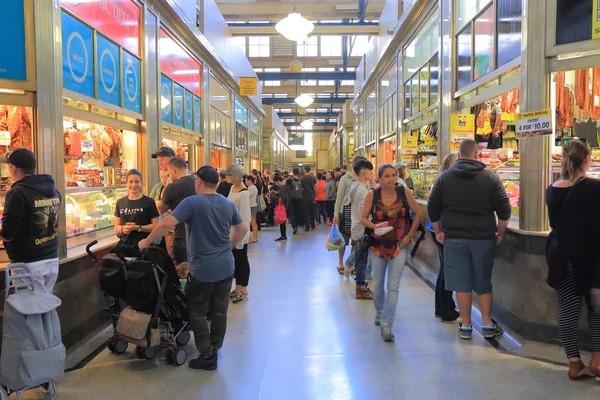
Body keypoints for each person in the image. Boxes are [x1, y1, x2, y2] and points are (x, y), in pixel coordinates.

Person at [138, 166, 248, 371]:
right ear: (216, 182)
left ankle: (206, 356)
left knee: (197, 312)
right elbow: (242, 229)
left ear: (198, 181)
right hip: (225, 267)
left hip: (203, 270)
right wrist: (229, 246)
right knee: (219, 311)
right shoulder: (226, 203)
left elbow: (164, 225)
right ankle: (215, 349)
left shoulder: (191, 203)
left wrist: (145, 241)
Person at [427, 139, 511, 340]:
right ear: (476, 154)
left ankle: (465, 325)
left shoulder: (444, 178)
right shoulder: (490, 177)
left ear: (459, 154)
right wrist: (500, 233)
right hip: (483, 238)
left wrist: (438, 231)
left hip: (454, 238)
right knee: (483, 282)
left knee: (461, 284)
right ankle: (487, 323)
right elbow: (505, 210)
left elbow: (432, 208)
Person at [545, 139, 600, 380]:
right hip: (589, 255)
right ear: (587, 160)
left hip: (561, 255)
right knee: (596, 307)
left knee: (568, 309)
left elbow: (555, 223)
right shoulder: (595, 187)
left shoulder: (552, 189)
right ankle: (598, 357)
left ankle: (574, 363)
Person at [361, 164, 423, 341]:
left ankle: (387, 323)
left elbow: (418, 214)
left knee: (393, 286)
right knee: (378, 283)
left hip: (399, 243)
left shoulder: (405, 192)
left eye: (394, 175)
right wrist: (374, 226)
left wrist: (409, 236)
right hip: (378, 244)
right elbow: (363, 217)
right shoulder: (372, 195)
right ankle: (380, 311)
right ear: (379, 178)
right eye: (386, 176)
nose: (391, 179)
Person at [0, 148, 61, 294]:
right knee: (44, 307)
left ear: (13, 169)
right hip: (52, 259)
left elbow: (8, 234)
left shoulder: (17, 192)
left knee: (29, 312)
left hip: (29, 265)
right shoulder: (53, 189)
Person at [427, 153, 460, 323]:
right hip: (442, 229)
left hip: (437, 229)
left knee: (444, 270)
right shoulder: (446, 183)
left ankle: (441, 308)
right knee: (447, 270)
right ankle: (446, 309)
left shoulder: (440, 181)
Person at [157, 157, 196, 268]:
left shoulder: (172, 187)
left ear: (173, 170)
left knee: (182, 271)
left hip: (181, 235)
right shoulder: (199, 183)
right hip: (199, 235)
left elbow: (161, 209)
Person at [333, 155, 368, 274]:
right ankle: (340, 262)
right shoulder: (345, 179)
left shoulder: (365, 179)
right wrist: (336, 214)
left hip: (359, 213)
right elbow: (339, 198)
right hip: (346, 211)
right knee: (343, 240)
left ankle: (351, 262)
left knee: (356, 240)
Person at [113, 169, 159, 255]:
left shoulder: (149, 202)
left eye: (137, 181)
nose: (134, 185)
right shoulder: (120, 202)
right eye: (131, 182)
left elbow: (156, 226)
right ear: (126, 183)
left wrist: (138, 227)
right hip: (125, 245)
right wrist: (123, 229)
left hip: (143, 244)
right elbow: (116, 227)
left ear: (141, 183)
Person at [348, 159, 375, 299]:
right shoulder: (362, 190)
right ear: (363, 171)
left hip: (356, 228)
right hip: (361, 230)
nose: (372, 173)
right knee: (362, 261)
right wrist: (373, 226)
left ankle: (361, 285)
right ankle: (361, 287)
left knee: (360, 259)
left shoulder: (356, 186)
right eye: (370, 170)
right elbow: (362, 214)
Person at [226, 164, 251, 304]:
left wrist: (241, 238)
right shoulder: (232, 188)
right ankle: (237, 288)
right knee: (235, 261)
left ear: (236, 177)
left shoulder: (244, 193)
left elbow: (245, 217)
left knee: (241, 261)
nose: (226, 177)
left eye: (228, 175)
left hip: (239, 234)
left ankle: (243, 290)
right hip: (230, 232)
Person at [287, 167, 304, 234]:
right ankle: (298, 224)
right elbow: (303, 188)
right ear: (298, 172)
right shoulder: (301, 180)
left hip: (292, 199)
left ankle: (294, 226)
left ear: (293, 172)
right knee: (298, 212)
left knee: (292, 212)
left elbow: (287, 190)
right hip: (299, 198)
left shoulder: (289, 180)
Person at [272, 175, 289, 241]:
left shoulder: (281, 187)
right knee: (283, 222)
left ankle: (283, 236)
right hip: (285, 206)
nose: (276, 184)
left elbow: (281, 198)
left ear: (278, 181)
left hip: (282, 206)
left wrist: (275, 196)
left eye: (276, 182)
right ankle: (283, 235)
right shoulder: (285, 186)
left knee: (282, 221)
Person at [300, 165, 317, 231]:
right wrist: (315, 194)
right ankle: (313, 225)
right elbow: (316, 187)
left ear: (304, 170)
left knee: (306, 212)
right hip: (312, 196)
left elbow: (301, 187)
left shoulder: (302, 178)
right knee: (312, 211)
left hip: (304, 196)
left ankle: (307, 226)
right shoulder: (313, 177)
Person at [245, 175, 259, 243]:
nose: (245, 182)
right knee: (253, 222)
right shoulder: (253, 187)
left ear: (250, 180)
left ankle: (254, 238)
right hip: (253, 205)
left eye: (246, 180)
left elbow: (248, 197)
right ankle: (254, 237)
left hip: (251, 206)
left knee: (253, 223)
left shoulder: (250, 188)